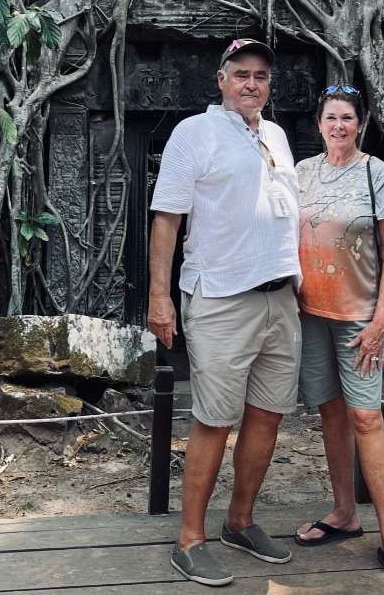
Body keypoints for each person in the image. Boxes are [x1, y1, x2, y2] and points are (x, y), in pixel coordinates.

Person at [147, 38, 301, 587]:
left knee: (268, 413)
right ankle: (190, 538)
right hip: (219, 298)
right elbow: (167, 217)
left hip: (281, 299)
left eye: (261, 76)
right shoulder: (195, 133)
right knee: (213, 420)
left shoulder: (278, 137)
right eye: (242, 74)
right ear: (221, 79)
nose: (251, 84)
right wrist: (159, 297)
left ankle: (240, 520)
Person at [293, 86, 384, 589]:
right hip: (310, 314)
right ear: (319, 123)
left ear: (360, 122)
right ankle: (345, 511)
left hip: (358, 318)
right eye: (330, 118)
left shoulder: (376, 174)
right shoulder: (302, 173)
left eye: (347, 117)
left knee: (366, 417)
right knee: (330, 412)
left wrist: (381, 318)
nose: (338, 126)